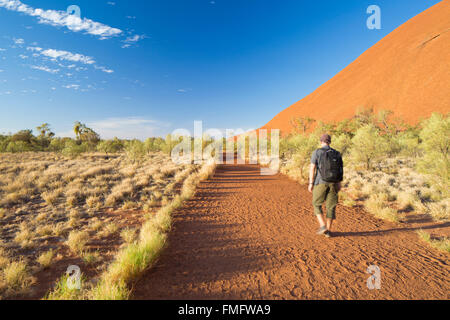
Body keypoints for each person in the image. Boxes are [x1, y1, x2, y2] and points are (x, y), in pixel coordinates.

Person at [308, 134, 344, 238]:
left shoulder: (317, 152)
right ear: (330, 142)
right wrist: (339, 183)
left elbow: (312, 168)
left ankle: (323, 225)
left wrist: (311, 183)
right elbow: (341, 169)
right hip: (334, 183)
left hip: (320, 182)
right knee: (331, 207)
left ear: (321, 141)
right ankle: (328, 231)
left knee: (316, 203)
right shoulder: (337, 153)